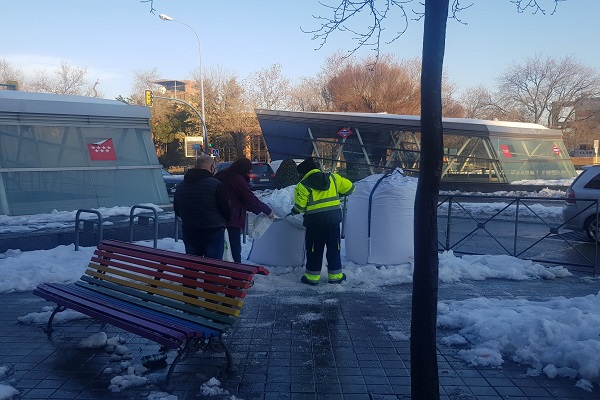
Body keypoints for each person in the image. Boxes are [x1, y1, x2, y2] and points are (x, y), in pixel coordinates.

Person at [290, 157, 355, 285]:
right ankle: (336, 277)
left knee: (314, 250)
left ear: (304, 173)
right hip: (333, 221)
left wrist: (294, 210)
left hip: (315, 224)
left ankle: (311, 278)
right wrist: (338, 194)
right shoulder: (333, 178)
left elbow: (300, 207)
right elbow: (351, 188)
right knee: (334, 248)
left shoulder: (302, 185)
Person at [215, 158, 275, 263]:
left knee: (220, 248)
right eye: (249, 170)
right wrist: (267, 210)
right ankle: (237, 275)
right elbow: (249, 198)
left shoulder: (221, 176)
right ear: (244, 169)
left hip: (217, 217)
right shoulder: (237, 179)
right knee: (235, 248)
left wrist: (256, 210)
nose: (250, 172)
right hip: (232, 218)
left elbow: (241, 198)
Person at [173, 155, 232, 259]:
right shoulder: (216, 185)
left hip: (190, 230)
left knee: (192, 267)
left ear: (196, 166)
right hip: (213, 230)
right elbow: (227, 210)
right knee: (212, 268)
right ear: (212, 167)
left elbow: (177, 210)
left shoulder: (181, 186)